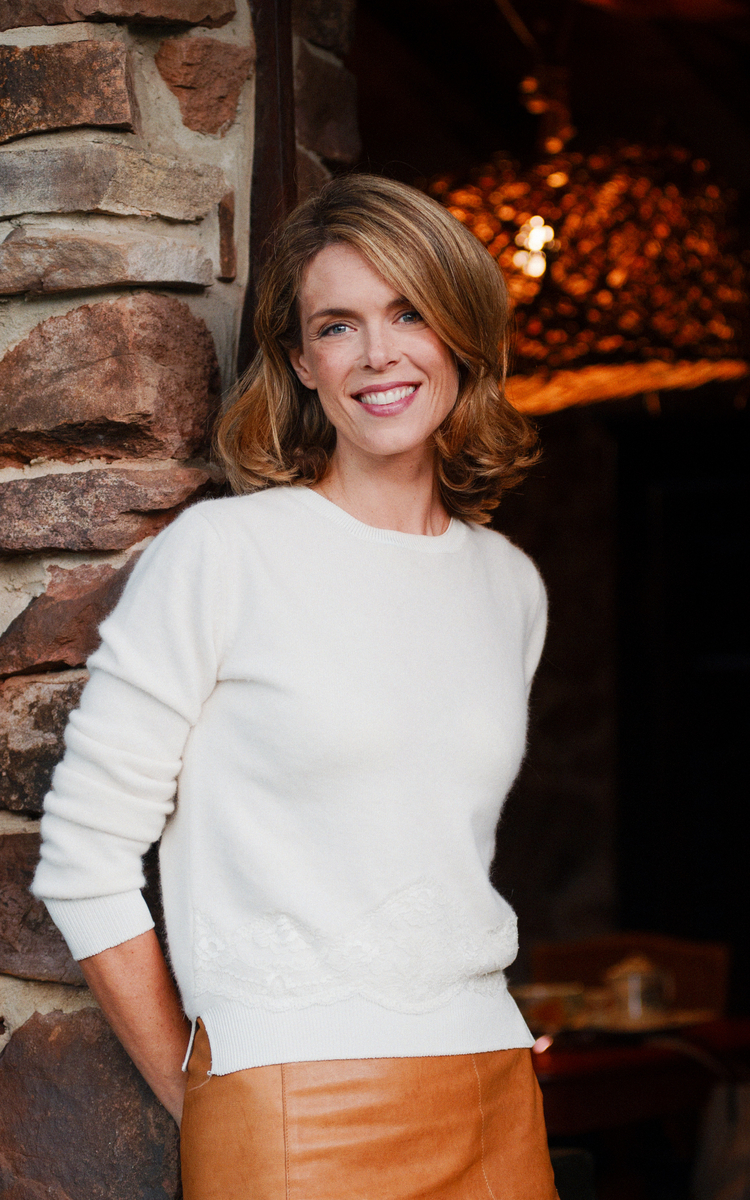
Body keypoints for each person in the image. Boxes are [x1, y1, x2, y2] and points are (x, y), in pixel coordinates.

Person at [33, 174, 559, 1199]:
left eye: (410, 312)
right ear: (302, 363)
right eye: (337, 326)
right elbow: (82, 861)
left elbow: (428, 846)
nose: (379, 354)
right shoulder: (223, 556)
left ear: (461, 335)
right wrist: (207, 1097)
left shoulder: (509, 585)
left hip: (493, 1089)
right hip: (291, 1107)